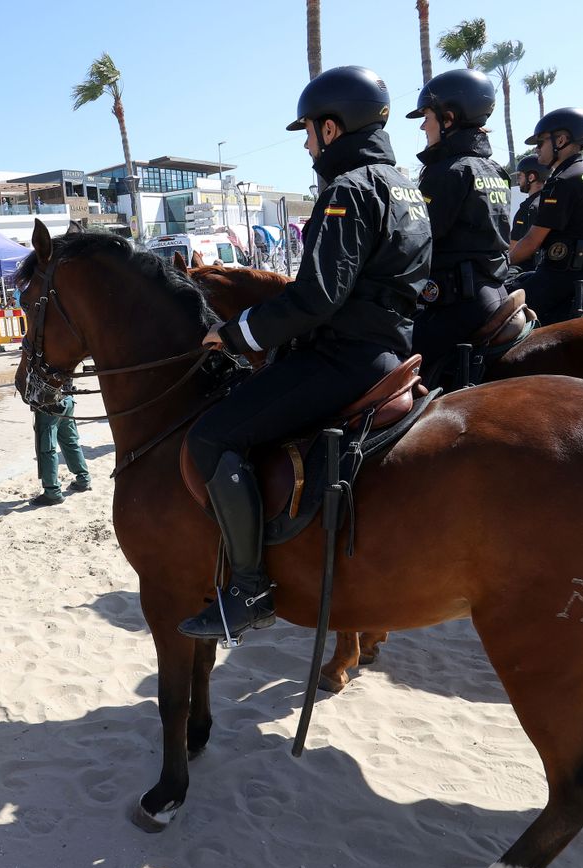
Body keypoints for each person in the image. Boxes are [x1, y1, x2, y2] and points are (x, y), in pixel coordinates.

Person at [177, 66, 430, 642]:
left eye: (310, 132)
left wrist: (238, 332)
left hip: (343, 358)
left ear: (333, 128)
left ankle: (248, 588)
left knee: (212, 437)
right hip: (393, 349)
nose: (308, 144)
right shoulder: (406, 185)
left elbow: (317, 297)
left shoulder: (348, 190)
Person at [404, 68, 512, 370]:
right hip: (493, 294)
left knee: (390, 364)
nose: (423, 126)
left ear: (448, 118)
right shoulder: (494, 170)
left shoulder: (448, 172)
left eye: (427, 116)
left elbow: (416, 242)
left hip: (457, 306)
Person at [509, 107, 583, 324]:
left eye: (541, 142)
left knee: (503, 314)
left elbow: (531, 242)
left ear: (561, 140)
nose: (537, 150)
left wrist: (500, 266)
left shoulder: (563, 180)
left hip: (564, 274)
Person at [31, 395, 91, 506]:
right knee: (70, 441)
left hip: (49, 405)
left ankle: (52, 492)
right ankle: (84, 480)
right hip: (68, 401)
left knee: (47, 449)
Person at [511, 155, 550, 242]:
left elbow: (515, 245)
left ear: (531, 177)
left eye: (520, 176)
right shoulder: (551, 202)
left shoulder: (529, 208)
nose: (518, 181)